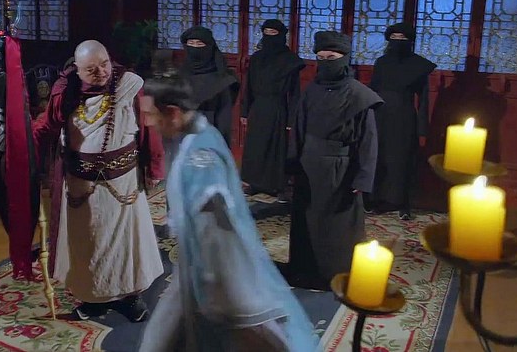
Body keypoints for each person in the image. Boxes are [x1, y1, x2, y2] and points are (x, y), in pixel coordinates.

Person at [137, 69, 319, 352]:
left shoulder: (200, 160)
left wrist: (215, 293)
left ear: (172, 113)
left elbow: (215, 235)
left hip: (217, 275)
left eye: (151, 115)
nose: (147, 122)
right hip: (193, 266)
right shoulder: (196, 132)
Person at [32, 40, 165, 322]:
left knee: (125, 243)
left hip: (124, 184)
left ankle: (130, 297)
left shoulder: (131, 85)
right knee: (88, 243)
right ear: (77, 70)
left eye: (105, 64)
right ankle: (93, 298)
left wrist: (155, 167)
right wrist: (22, 137)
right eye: (91, 70)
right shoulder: (65, 91)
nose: (102, 72)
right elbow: (47, 125)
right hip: (81, 185)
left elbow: (149, 127)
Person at [283, 31, 382, 291]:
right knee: (307, 223)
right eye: (321, 57)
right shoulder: (311, 91)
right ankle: (305, 271)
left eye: (331, 57)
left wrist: (362, 178)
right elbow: (299, 129)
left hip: (341, 171)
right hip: (309, 168)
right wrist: (292, 163)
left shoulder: (360, 95)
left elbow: (368, 141)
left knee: (338, 226)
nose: (325, 62)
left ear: (344, 58)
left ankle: (336, 274)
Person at [369, 22, 437, 220]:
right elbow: (373, 89)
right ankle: (377, 200)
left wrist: (422, 128)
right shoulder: (381, 62)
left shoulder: (419, 66)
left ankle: (403, 203)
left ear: (410, 41)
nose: (398, 41)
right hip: (380, 115)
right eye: (394, 38)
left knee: (402, 160)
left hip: (404, 118)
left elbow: (423, 99)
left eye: (402, 38)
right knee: (379, 157)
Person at [240, 19, 306, 198]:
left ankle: (275, 185)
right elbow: (249, 87)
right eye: (266, 33)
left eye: (273, 33)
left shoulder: (290, 61)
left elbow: (294, 93)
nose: (269, 36)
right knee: (255, 146)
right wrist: (245, 111)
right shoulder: (257, 58)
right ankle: (253, 182)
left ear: (281, 35)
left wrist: (292, 118)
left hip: (278, 108)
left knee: (275, 147)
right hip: (258, 108)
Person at [179, 26, 240, 145]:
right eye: (191, 43)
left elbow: (224, 120)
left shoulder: (222, 80)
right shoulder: (180, 74)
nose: (194, 48)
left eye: (199, 44)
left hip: (209, 137)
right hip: (181, 136)